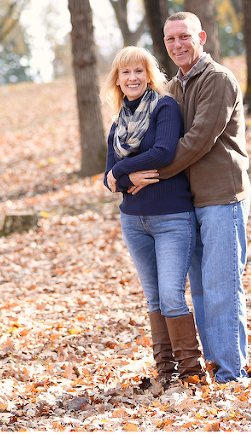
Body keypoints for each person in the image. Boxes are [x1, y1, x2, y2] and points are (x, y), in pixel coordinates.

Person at [128, 12, 251, 383]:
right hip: (189, 201)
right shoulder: (176, 87)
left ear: (200, 37)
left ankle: (232, 372)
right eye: (170, 40)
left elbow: (197, 141)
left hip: (222, 198)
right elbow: (159, 139)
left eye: (184, 37)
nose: (178, 45)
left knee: (222, 287)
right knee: (199, 289)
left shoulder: (218, 80)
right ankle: (215, 364)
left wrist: (152, 175)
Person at [101, 46, 206, 387]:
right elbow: (107, 179)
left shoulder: (165, 107)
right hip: (133, 221)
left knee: (172, 295)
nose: (132, 78)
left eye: (138, 71)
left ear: (149, 76)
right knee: (154, 297)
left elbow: (163, 152)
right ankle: (166, 372)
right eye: (125, 72)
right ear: (117, 80)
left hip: (172, 217)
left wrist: (121, 171)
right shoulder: (118, 124)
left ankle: (191, 373)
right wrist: (122, 177)